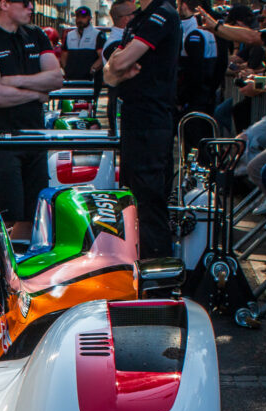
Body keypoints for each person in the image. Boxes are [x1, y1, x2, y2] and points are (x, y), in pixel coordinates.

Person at [0, 0, 63, 239]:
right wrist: (36, 94)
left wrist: (14, 81)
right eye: (25, 2)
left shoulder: (37, 35)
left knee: (33, 215)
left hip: (35, 139)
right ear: (4, 4)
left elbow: (56, 78)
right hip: (3, 141)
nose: (31, 7)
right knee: (7, 216)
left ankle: (21, 266)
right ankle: (0, 267)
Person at [104, 0, 181, 258]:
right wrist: (117, 67)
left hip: (152, 119)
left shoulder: (162, 14)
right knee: (132, 199)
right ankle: (138, 265)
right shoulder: (139, 17)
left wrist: (117, 66)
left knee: (149, 202)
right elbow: (111, 71)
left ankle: (158, 276)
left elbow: (119, 63)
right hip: (134, 117)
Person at [101, 0, 137, 129]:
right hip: (120, 101)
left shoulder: (124, 38)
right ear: (125, 19)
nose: (138, 16)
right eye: (135, 13)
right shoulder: (115, 43)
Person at [62, 6, 105, 82]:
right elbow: (64, 55)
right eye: (78, 17)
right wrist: (67, 70)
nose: (80, 20)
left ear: (89, 18)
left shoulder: (97, 34)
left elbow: (102, 56)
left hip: (90, 80)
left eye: (83, 17)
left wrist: (93, 70)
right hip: (71, 79)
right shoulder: (69, 35)